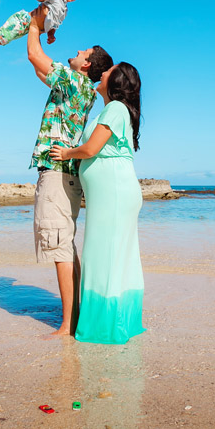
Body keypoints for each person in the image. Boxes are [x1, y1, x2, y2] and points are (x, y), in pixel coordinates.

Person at [26, 7, 113, 337]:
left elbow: (35, 55)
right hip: (66, 176)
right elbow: (39, 69)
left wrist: (35, 21)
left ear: (86, 65)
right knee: (65, 246)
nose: (77, 52)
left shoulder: (74, 80)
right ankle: (72, 317)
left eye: (83, 52)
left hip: (58, 174)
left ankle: (68, 324)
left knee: (60, 247)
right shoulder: (78, 87)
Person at [50, 62, 145, 344]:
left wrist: (66, 154)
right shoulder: (111, 110)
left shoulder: (115, 108)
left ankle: (104, 327)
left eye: (108, 71)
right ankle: (119, 321)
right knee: (113, 256)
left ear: (115, 80)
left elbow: (92, 149)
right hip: (112, 193)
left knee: (103, 256)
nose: (101, 73)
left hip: (113, 193)